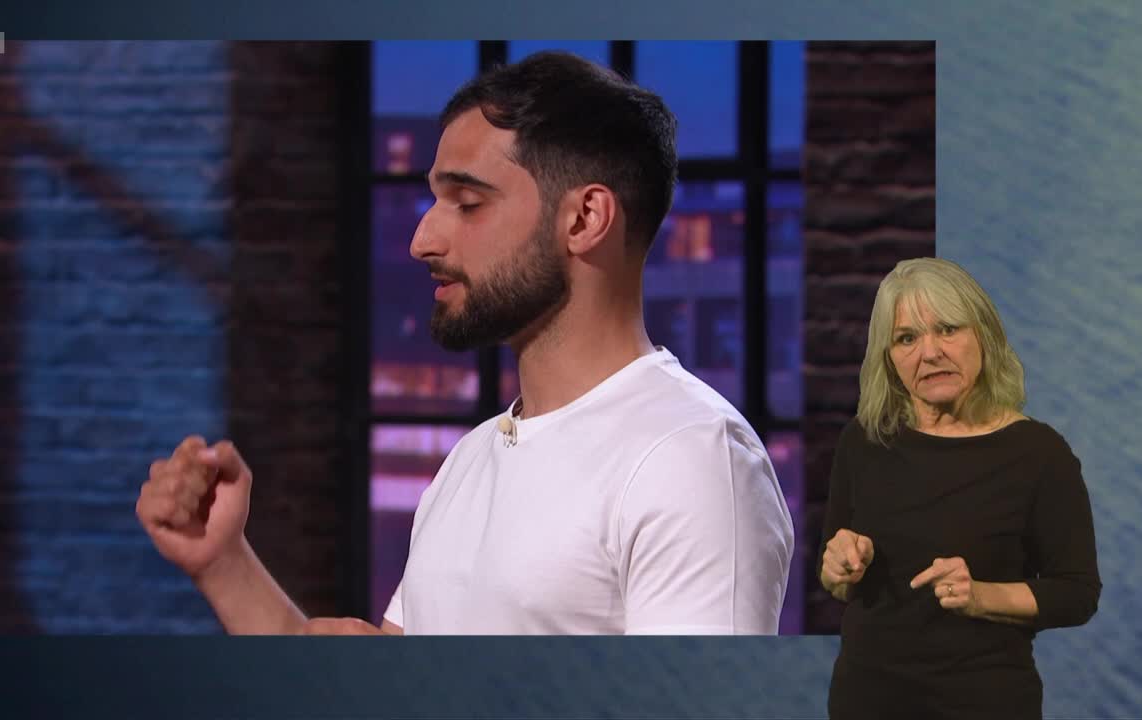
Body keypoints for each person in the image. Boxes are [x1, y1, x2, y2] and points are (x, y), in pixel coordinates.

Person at [136, 51, 795, 635]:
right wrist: (224, 564)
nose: (423, 239)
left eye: (468, 203)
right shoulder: (471, 461)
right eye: (434, 201)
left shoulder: (691, 459)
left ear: (586, 218)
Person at [817, 257, 1101, 717]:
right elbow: (836, 582)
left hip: (983, 702)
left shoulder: (1040, 454)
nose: (930, 353)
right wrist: (839, 568)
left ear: (983, 338)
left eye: (948, 330)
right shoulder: (865, 440)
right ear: (888, 358)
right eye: (907, 338)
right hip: (865, 700)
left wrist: (980, 597)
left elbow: (1076, 593)